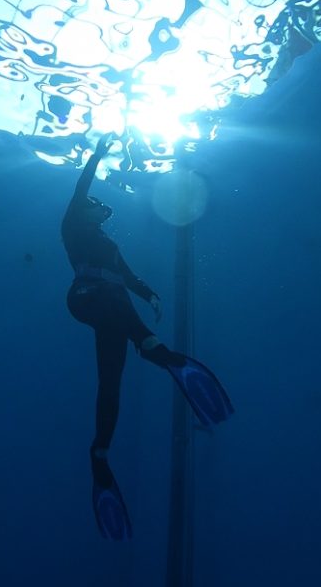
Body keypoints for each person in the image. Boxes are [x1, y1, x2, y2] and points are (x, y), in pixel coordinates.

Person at [62, 134, 233, 540]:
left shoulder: (108, 242)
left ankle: (100, 450)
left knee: (111, 381)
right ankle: (156, 349)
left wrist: (151, 293)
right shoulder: (72, 224)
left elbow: (129, 276)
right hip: (87, 296)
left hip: (115, 308)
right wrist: (98, 154)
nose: (100, 209)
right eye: (95, 206)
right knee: (119, 311)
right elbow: (80, 189)